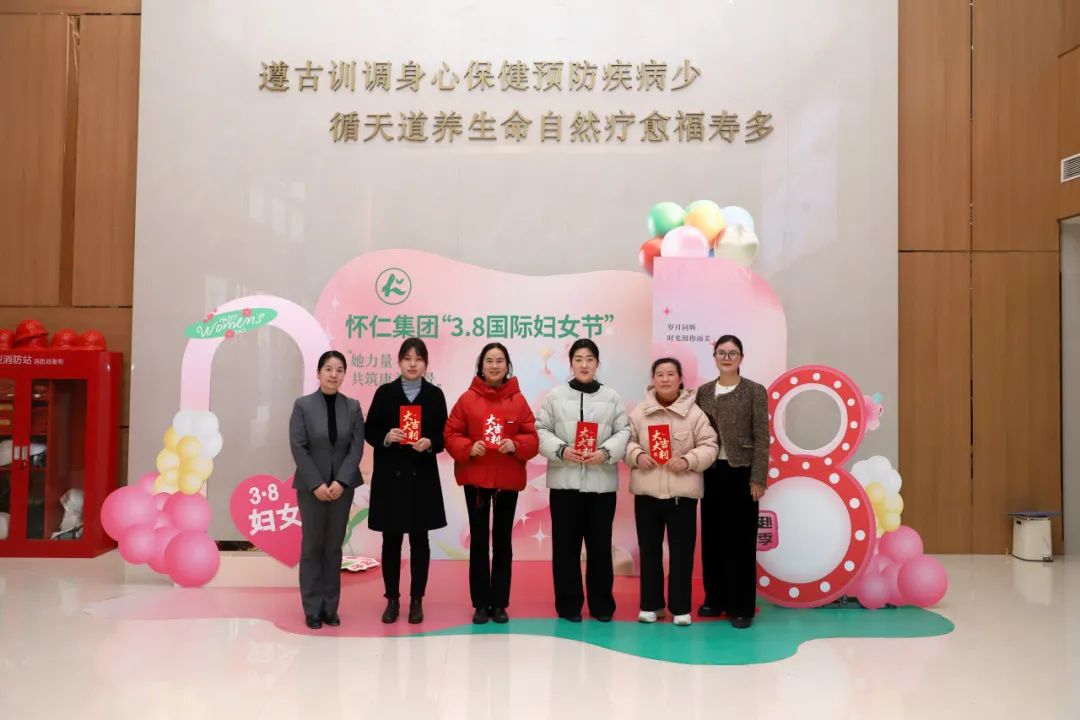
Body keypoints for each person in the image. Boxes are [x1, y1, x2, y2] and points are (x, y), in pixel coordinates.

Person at [444, 343, 539, 625]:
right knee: (479, 542)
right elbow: (451, 433)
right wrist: (468, 447)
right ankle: (480, 603)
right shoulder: (467, 399)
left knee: (502, 542)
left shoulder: (518, 401)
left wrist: (516, 445)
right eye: (489, 361)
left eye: (499, 361)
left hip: (507, 480)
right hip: (476, 480)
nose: (494, 366)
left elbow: (532, 438)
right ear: (481, 366)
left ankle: (499, 603)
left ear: (507, 366)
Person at [537, 339, 629, 622]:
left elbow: (624, 431)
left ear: (597, 363)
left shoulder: (611, 397)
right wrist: (562, 450)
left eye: (590, 359)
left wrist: (606, 452)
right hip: (564, 485)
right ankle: (568, 605)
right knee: (566, 548)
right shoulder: (555, 396)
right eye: (579, 359)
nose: (584, 364)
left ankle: (602, 606)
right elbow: (541, 430)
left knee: (600, 548)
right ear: (571, 363)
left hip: (601, 486)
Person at [625, 357, 718, 626]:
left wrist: (688, 461)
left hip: (682, 496)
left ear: (680, 379)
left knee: (682, 553)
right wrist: (637, 455)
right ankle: (650, 605)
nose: (665, 379)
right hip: (647, 494)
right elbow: (626, 440)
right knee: (649, 551)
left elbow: (710, 445)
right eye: (660, 374)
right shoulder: (640, 412)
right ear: (652, 379)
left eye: (670, 374)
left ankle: (680, 607)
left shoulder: (694, 413)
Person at [365, 338, 448, 625]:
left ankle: (416, 599)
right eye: (407, 358)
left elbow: (444, 435)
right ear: (399, 362)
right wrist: (386, 437)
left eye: (418, 359)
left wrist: (430, 443)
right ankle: (392, 599)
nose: (413, 364)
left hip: (421, 478)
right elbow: (369, 430)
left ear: (426, 364)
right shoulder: (385, 392)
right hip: (390, 478)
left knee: (420, 541)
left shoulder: (435, 395)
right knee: (391, 540)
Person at [694, 335, 770, 629]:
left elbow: (762, 437)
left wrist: (758, 477)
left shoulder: (754, 391)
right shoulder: (703, 392)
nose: (727, 357)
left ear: (741, 357)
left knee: (740, 541)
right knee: (712, 538)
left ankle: (741, 607)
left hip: (742, 472)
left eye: (732, 353)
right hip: (711, 471)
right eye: (722, 353)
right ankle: (714, 599)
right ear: (714, 356)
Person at [289, 350, 365, 629]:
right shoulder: (303, 406)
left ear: (344, 374)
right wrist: (317, 484)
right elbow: (298, 446)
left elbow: (356, 448)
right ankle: (312, 608)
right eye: (328, 369)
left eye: (339, 370)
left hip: (341, 489)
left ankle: (330, 607)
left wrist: (341, 481)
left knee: (333, 548)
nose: (334, 375)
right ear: (319, 373)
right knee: (312, 547)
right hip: (311, 488)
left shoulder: (353, 407)